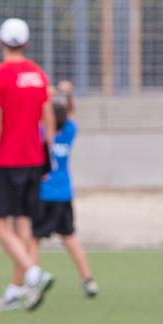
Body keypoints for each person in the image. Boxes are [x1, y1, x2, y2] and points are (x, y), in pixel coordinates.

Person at [0, 18, 54, 311]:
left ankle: (34, 274)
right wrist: (48, 160)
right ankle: (16, 290)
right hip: (34, 159)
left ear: (1, 41)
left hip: (5, 160)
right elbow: (48, 120)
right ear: (26, 43)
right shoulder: (38, 75)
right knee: (22, 223)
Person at [35, 83, 97, 298]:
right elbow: (70, 114)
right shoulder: (69, 131)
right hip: (64, 194)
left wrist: (44, 96)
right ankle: (88, 280)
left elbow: (39, 115)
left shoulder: (41, 133)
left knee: (33, 240)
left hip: (43, 194)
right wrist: (69, 94)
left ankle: (33, 280)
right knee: (69, 237)